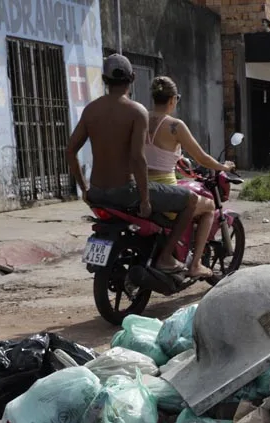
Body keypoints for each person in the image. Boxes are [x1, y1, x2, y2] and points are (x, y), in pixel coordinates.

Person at [67, 54, 195, 273]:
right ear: (133, 77)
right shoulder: (136, 111)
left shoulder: (91, 110)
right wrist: (145, 199)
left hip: (97, 192)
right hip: (126, 191)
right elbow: (137, 158)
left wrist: (84, 188)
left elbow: (70, 151)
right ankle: (165, 258)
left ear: (105, 79)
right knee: (191, 200)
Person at [145, 76, 235, 279]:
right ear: (172, 100)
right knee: (209, 206)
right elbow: (201, 157)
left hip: (142, 188)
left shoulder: (140, 119)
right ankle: (195, 265)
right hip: (165, 190)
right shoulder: (175, 126)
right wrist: (224, 167)